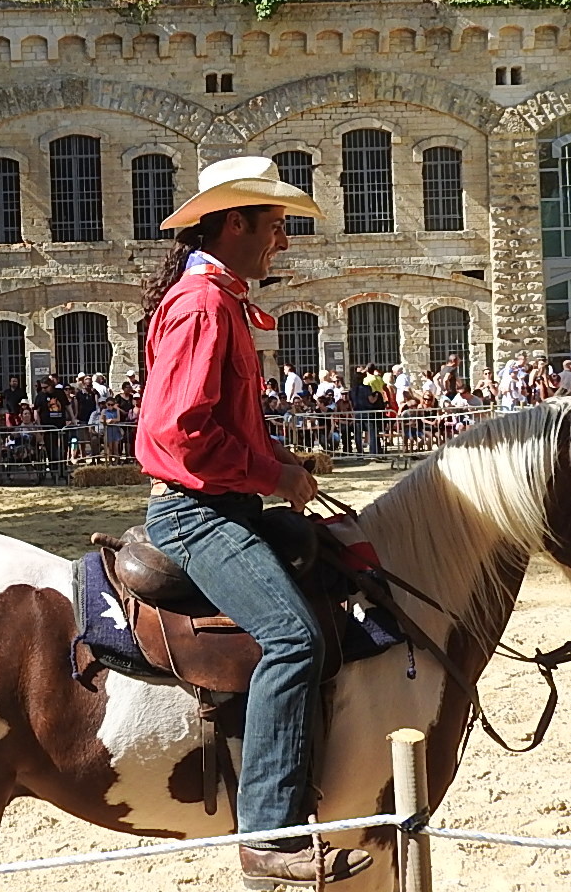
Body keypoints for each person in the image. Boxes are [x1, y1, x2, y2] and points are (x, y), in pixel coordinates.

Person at [134, 155, 369, 886]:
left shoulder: (219, 301)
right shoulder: (203, 306)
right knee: (294, 639)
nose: (284, 242)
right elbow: (178, 434)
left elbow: (220, 425)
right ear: (235, 223)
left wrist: (277, 459)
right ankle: (267, 833)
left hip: (224, 502)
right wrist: (274, 476)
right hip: (195, 515)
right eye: (276, 226)